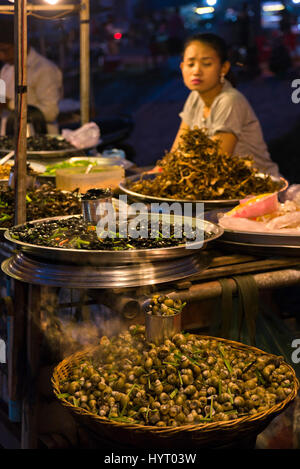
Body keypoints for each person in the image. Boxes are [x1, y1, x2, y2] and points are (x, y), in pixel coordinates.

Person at [162, 33, 280, 178]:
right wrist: (158, 172)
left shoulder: (230, 101)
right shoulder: (195, 98)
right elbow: (177, 150)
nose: (196, 71)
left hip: (258, 188)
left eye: (206, 64)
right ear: (182, 67)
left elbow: (215, 163)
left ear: (223, 68)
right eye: (190, 64)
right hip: (216, 184)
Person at [0, 16, 63, 134]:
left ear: (21, 44)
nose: (2, 56)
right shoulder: (6, 69)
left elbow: (51, 112)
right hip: (8, 141)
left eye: (5, 50)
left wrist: (9, 104)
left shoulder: (44, 69)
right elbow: (1, 99)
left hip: (37, 142)